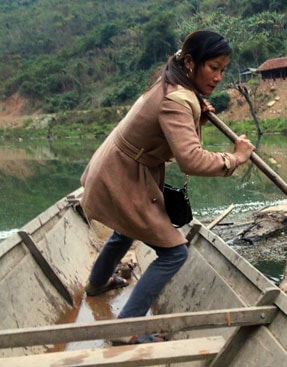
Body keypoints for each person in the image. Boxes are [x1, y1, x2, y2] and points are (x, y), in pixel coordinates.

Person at [79, 30, 255, 342]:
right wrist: (235, 158)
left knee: (125, 229)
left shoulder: (172, 82)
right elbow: (191, 160)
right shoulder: (178, 99)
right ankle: (125, 330)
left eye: (223, 70)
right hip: (124, 176)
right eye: (213, 68)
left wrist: (197, 114)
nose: (218, 77)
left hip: (116, 167)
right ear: (190, 62)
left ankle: (96, 284)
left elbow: (170, 135)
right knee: (175, 253)